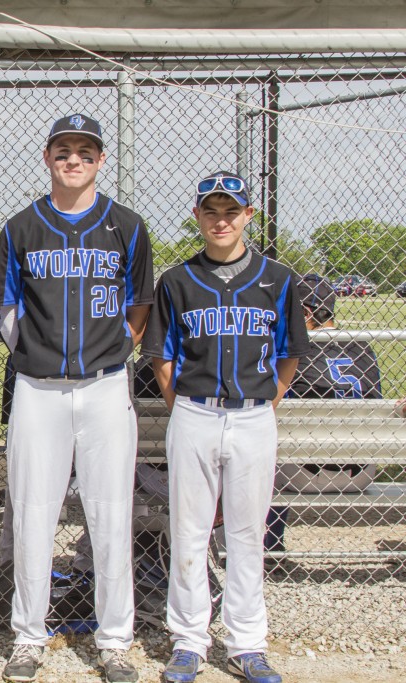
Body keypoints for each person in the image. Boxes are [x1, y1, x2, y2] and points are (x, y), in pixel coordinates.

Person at [0, 113, 153, 683]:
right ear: (47, 156)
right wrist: (40, 355)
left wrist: (107, 352)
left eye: (86, 150)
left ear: (101, 159)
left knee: (110, 512)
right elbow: (7, 311)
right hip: (39, 390)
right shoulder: (20, 227)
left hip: (106, 387)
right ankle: (28, 637)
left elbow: (138, 310)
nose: (74, 159)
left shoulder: (128, 227)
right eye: (64, 150)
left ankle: (114, 641)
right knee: (34, 511)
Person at [141, 171, 310, 683]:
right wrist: (187, 408)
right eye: (211, 211)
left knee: (245, 534)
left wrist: (267, 403)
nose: (221, 220)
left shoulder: (277, 279)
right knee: (189, 532)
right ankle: (189, 640)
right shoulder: (176, 280)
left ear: (247, 217)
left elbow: (288, 356)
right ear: (197, 216)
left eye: (231, 211)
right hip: (194, 411)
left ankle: (247, 643)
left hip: (254, 415)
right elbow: (161, 359)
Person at [265, 273, 382, 556]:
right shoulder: (362, 346)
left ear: (303, 312)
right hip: (362, 471)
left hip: (302, 473)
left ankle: (269, 542)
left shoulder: (292, 350)